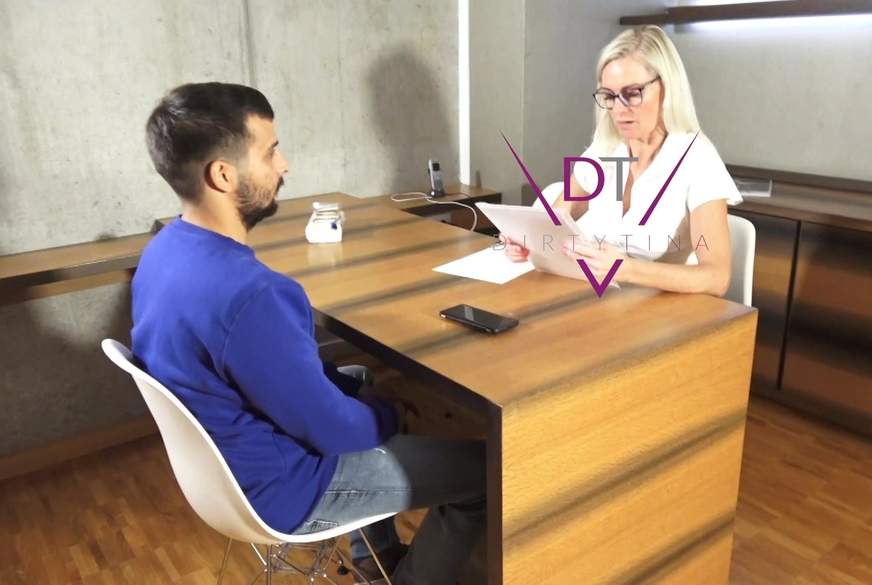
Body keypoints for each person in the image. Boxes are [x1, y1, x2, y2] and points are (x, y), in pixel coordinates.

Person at [133, 82, 485, 585]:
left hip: (223, 471)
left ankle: (375, 560)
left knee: (358, 377)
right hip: (289, 489)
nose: (284, 165)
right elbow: (338, 433)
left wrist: (368, 396)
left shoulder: (163, 250)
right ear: (223, 174)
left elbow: (287, 379)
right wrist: (393, 410)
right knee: (485, 474)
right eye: (270, 152)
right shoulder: (253, 294)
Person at [503, 25, 742, 297]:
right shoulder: (603, 151)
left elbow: (716, 277)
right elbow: (550, 223)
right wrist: (525, 240)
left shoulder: (698, 161)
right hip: (596, 300)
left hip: (658, 311)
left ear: (667, 88)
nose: (618, 109)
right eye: (609, 96)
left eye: (632, 93)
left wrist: (625, 269)